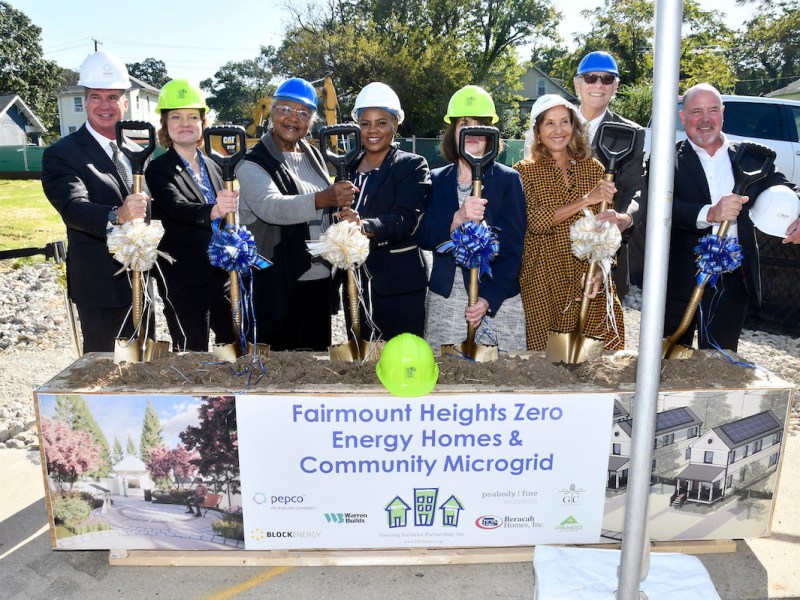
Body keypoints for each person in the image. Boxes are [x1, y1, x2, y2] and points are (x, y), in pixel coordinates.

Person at [664, 83, 800, 352]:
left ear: (723, 114)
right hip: (678, 281)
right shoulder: (668, 159)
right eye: (696, 111)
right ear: (683, 117)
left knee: (719, 364)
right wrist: (709, 213)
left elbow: (789, 188)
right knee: (666, 362)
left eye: (713, 110)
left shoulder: (751, 158)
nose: (705, 119)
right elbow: (661, 208)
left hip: (731, 280)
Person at [235, 78, 356, 351]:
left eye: (303, 113)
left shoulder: (312, 153)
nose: (293, 118)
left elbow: (326, 206)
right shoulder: (252, 161)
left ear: (312, 120)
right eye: (285, 109)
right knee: (277, 365)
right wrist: (324, 198)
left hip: (317, 279)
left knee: (313, 365)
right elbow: (271, 206)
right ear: (273, 112)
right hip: (277, 280)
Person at [41, 51, 149, 353]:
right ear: (85, 101)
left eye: (113, 97)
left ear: (125, 103)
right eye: (96, 97)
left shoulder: (135, 151)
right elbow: (73, 209)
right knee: (102, 375)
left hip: (140, 282)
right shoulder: (63, 153)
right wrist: (118, 214)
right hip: (100, 286)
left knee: (144, 368)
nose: (105, 105)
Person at [418, 85, 526, 353]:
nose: (472, 131)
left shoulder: (508, 180)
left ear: (492, 133)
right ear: (452, 131)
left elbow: (513, 250)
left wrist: (488, 299)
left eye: (480, 124)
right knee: (446, 377)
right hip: (447, 300)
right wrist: (457, 218)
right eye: (464, 123)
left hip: (496, 302)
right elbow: (424, 236)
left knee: (501, 381)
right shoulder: (436, 179)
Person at [514, 94, 625, 352]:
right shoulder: (524, 171)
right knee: (545, 362)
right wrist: (587, 199)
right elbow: (536, 222)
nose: (558, 130)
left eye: (565, 122)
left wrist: (601, 270)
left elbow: (607, 230)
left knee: (595, 362)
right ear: (538, 131)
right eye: (549, 123)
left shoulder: (593, 168)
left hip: (585, 277)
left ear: (574, 127)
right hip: (542, 278)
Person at [144, 79, 239, 352]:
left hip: (221, 273)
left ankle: (226, 395)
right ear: (165, 124)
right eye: (176, 116)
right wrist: (214, 210)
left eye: (192, 117)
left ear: (202, 123)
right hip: (183, 275)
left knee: (229, 346)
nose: (184, 123)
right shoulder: (158, 168)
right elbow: (174, 206)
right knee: (191, 348)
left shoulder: (216, 165)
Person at [333, 82, 430, 339]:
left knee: (400, 362)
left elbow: (407, 219)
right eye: (365, 123)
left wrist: (363, 226)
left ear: (395, 124)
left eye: (381, 123)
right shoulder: (348, 166)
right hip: (356, 285)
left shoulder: (411, 165)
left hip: (398, 288)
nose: (372, 130)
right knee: (362, 360)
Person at [572, 51, 645, 297]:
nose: (598, 84)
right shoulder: (556, 124)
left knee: (598, 333)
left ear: (615, 86)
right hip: (553, 244)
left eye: (607, 78)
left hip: (603, 248)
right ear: (577, 83)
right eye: (591, 77)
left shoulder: (631, 133)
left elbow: (637, 187)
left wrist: (625, 218)